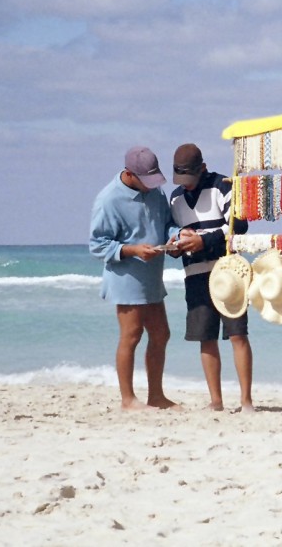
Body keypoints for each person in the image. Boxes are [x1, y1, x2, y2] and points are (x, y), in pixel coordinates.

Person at [89, 146, 181, 410]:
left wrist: (176, 236)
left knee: (161, 333)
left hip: (152, 276)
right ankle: (128, 399)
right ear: (129, 174)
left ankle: (156, 396)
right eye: (145, 181)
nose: (151, 187)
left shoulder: (155, 192)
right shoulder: (108, 200)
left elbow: (166, 225)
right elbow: (97, 245)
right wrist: (133, 250)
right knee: (131, 335)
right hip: (126, 276)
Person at [169, 143, 254, 413]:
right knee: (205, 338)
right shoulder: (175, 198)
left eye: (191, 180)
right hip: (194, 274)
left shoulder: (222, 186)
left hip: (228, 272)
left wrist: (203, 242)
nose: (188, 186)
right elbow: (173, 235)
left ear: (203, 169)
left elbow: (238, 226)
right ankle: (216, 401)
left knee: (238, 335)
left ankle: (246, 401)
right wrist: (174, 246)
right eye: (182, 181)